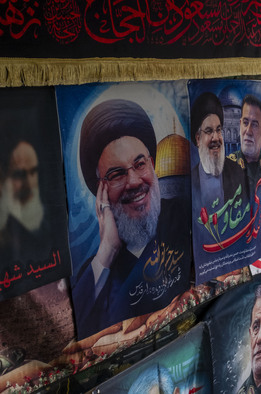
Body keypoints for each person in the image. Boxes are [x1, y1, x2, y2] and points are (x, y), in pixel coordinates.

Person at [73, 99, 190, 338]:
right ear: (101, 191)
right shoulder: (97, 269)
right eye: (116, 174)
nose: (134, 181)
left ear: (153, 166)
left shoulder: (186, 217)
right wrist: (108, 249)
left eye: (140, 164)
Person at [191, 92, 247, 212]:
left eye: (218, 130)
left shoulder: (237, 173)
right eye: (209, 131)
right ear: (198, 138)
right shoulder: (190, 182)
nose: (216, 137)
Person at [227, 94, 261, 202]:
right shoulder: (227, 166)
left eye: (254, 125)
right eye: (245, 123)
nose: (248, 131)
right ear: (240, 124)